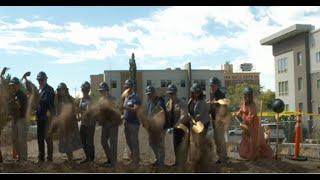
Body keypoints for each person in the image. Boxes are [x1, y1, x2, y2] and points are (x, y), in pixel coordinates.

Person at [236, 87, 273, 160]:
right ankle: (246, 154)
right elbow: (240, 112)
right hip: (247, 125)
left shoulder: (252, 105)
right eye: (246, 95)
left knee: (255, 141)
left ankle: (253, 155)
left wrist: (243, 122)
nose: (247, 97)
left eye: (249, 95)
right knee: (245, 139)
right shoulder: (244, 104)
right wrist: (238, 115)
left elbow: (250, 117)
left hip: (253, 125)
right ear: (244, 96)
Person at [53, 83, 82, 162]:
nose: (61, 91)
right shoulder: (57, 99)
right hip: (62, 124)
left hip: (70, 123)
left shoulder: (70, 99)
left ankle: (70, 159)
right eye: (59, 90)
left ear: (65, 90)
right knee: (64, 141)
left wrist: (76, 115)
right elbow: (57, 111)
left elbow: (76, 108)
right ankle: (69, 157)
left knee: (69, 140)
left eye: (62, 89)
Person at [188, 83, 211, 171]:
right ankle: (196, 159)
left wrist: (190, 118)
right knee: (194, 142)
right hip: (194, 124)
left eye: (197, 92)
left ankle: (202, 161)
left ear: (200, 93)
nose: (195, 94)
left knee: (200, 142)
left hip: (202, 124)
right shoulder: (191, 100)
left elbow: (198, 116)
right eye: (194, 92)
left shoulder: (201, 102)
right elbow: (189, 110)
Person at [97, 82, 120, 168]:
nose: (101, 92)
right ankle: (110, 158)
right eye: (100, 91)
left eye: (103, 90)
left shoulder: (113, 99)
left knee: (113, 143)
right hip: (105, 124)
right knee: (103, 141)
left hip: (113, 123)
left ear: (107, 90)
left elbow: (117, 111)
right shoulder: (100, 100)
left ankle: (113, 163)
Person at [166, 84, 189, 168]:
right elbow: (166, 115)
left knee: (182, 145)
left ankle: (183, 164)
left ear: (176, 93)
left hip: (183, 128)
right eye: (170, 93)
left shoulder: (181, 103)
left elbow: (184, 115)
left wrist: (177, 124)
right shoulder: (168, 103)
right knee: (175, 145)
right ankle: (177, 162)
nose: (171, 95)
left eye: (173, 93)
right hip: (175, 128)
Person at [144, 85, 167, 168]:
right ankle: (158, 159)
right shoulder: (149, 102)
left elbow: (161, 113)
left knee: (160, 145)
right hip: (152, 128)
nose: (149, 95)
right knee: (152, 143)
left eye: (150, 94)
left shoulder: (160, 101)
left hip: (160, 127)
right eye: (148, 94)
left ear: (154, 93)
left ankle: (161, 163)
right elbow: (147, 113)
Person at [36, 71, 55, 163]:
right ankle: (41, 157)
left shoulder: (49, 89)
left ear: (45, 79)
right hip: (40, 117)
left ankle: (50, 158)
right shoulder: (39, 90)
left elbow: (46, 102)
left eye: (41, 79)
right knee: (40, 138)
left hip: (47, 118)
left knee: (48, 138)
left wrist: (37, 98)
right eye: (39, 80)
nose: (40, 81)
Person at [8, 77, 28, 162]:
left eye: (14, 85)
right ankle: (20, 156)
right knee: (15, 139)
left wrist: (17, 108)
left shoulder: (22, 95)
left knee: (22, 139)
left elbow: (24, 109)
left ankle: (23, 158)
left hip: (21, 119)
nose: (12, 87)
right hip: (14, 119)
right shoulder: (13, 95)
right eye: (11, 85)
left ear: (18, 85)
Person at [122, 79, 141, 167]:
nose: (127, 88)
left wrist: (126, 108)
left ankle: (136, 161)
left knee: (134, 142)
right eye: (126, 87)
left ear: (132, 87)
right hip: (126, 123)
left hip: (134, 124)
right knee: (128, 141)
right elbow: (125, 110)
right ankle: (133, 158)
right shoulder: (126, 97)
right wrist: (123, 115)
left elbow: (136, 109)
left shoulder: (136, 97)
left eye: (129, 87)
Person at [208, 77, 227, 164]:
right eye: (211, 85)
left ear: (217, 86)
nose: (212, 87)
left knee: (220, 139)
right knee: (216, 139)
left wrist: (212, 103)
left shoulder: (220, 95)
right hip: (214, 119)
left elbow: (222, 107)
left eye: (213, 85)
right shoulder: (212, 93)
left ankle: (222, 157)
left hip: (219, 120)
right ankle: (220, 156)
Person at [76, 81, 96, 164]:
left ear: (88, 90)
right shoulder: (81, 99)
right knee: (83, 141)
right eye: (83, 89)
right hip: (83, 123)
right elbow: (79, 110)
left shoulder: (90, 100)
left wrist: (81, 112)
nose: (84, 91)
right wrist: (78, 115)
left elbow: (89, 112)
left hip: (90, 124)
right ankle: (87, 157)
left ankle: (91, 158)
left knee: (89, 142)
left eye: (85, 89)